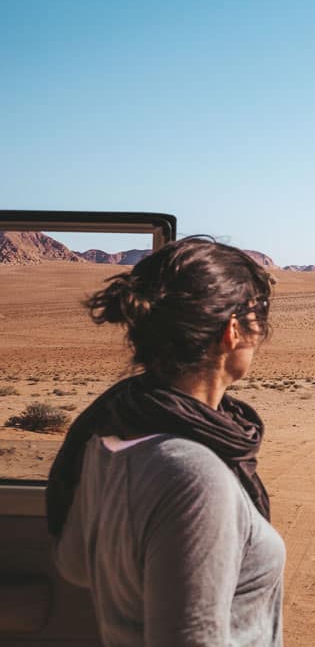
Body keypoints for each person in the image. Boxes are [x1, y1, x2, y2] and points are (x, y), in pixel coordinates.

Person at [46, 236, 284, 647]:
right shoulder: (195, 477)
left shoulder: (107, 438)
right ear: (231, 331)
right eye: (258, 315)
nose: (262, 331)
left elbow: (75, 565)